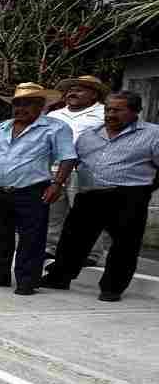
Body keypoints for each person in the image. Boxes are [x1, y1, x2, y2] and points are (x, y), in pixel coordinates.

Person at [41, 91, 158, 302]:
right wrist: (57, 183)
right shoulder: (89, 134)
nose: (110, 114)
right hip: (89, 195)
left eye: (117, 110)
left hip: (128, 196)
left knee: (124, 245)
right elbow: (73, 162)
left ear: (135, 112)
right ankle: (59, 278)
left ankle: (112, 288)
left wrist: (145, 189)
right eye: (108, 109)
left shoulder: (153, 134)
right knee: (72, 239)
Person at [0, 83, 75, 296]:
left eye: (27, 104)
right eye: (17, 104)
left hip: (32, 190)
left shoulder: (56, 127)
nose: (20, 109)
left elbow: (67, 158)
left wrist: (57, 184)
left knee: (32, 238)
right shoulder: (2, 126)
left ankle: (27, 281)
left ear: (41, 105)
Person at [47, 75, 111, 265]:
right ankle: (50, 248)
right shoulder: (54, 115)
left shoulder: (104, 113)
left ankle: (91, 253)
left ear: (94, 94)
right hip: (54, 168)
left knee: (86, 213)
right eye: (70, 89)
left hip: (86, 169)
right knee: (53, 212)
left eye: (79, 89)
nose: (72, 93)